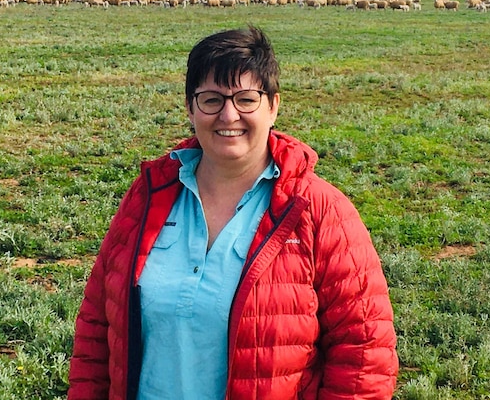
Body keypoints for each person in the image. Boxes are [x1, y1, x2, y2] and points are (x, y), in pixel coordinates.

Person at [68, 26, 398, 399]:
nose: (228, 115)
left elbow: (364, 356)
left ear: (273, 105)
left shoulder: (320, 210)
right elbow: (97, 328)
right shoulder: (147, 197)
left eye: (246, 99)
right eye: (211, 99)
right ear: (190, 108)